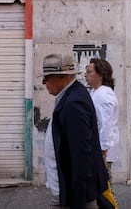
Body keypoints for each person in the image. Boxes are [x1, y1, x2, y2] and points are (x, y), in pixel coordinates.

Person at [41, 53, 109, 209]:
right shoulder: (71, 95)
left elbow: (81, 154)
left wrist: (78, 200)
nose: (44, 83)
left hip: (72, 192)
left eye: (47, 78)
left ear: (62, 77)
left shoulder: (73, 103)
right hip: (68, 189)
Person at [85, 58, 119, 208]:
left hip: (101, 152)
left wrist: (103, 153)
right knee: (100, 192)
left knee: (104, 193)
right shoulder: (96, 92)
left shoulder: (103, 95)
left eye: (89, 72)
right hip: (98, 151)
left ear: (100, 75)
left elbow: (106, 125)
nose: (85, 75)